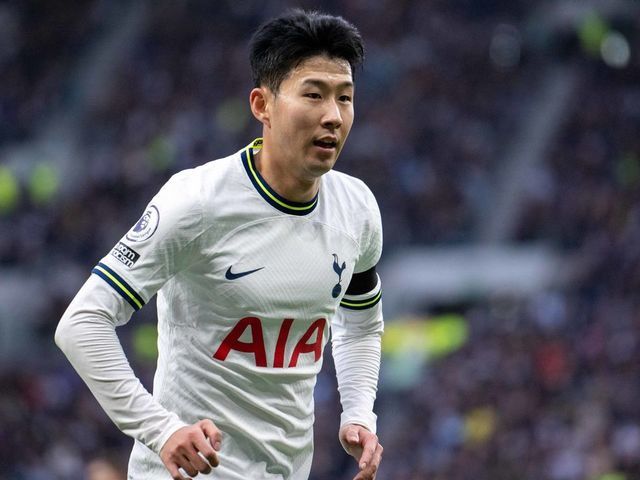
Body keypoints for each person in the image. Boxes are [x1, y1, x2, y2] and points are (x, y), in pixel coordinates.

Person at [56, 9, 384, 480]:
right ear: (261, 105)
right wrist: (161, 429)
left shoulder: (357, 209)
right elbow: (82, 322)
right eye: (313, 94)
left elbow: (360, 323)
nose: (333, 116)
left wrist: (357, 412)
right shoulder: (198, 201)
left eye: (345, 98)